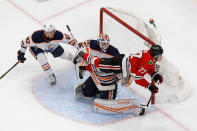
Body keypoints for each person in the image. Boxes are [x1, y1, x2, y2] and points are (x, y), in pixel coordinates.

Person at [73, 44, 164, 115]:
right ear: (155, 56)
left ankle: (83, 66)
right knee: (98, 64)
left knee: (102, 69)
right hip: (118, 65)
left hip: (121, 66)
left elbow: (149, 67)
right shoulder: (147, 61)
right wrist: (148, 85)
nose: (161, 57)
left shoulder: (150, 58)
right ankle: (82, 56)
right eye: (160, 55)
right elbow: (138, 79)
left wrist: (154, 75)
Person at [73, 33, 120, 101]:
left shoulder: (114, 52)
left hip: (109, 82)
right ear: (98, 42)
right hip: (97, 77)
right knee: (86, 92)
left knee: (106, 100)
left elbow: (101, 66)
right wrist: (82, 45)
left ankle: (108, 93)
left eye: (107, 44)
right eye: (103, 44)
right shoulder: (93, 43)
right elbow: (87, 42)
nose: (105, 46)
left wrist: (84, 66)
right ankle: (97, 90)